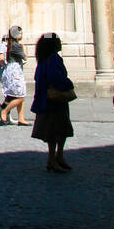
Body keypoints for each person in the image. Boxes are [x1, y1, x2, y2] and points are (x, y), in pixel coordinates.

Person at [30, 32, 75, 172]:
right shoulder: (53, 59)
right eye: (58, 40)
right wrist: (68, 85)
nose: (60, 42)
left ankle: (57, 157)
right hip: (54, 100)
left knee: (58, 130)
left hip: (48, 99)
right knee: (57, 130)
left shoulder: (43, 59)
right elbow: (56, 77)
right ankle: (53, 159)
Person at [0, 36, 29, 125]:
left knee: (16, 95)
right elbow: (25, 57)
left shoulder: (10, 45)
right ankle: (4, 111)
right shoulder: (16, 46)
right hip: (15, 72)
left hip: (13, 71)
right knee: (20, 96)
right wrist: (24, 48)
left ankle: (20, 118)